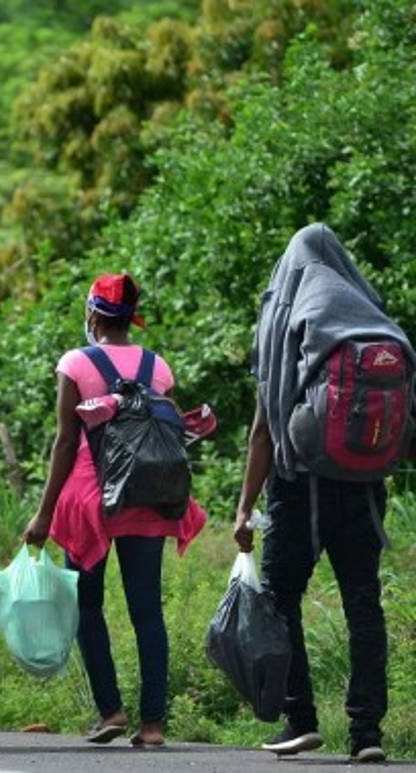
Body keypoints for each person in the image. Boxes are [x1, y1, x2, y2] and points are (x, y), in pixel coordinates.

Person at [234, 224, 413, 764]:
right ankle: (367, 733)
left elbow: (265, 428)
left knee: (280, 597)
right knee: (364, 600)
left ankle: (301, 719)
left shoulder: (288, 317)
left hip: (300, 482)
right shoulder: (371, 316)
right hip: (364, 486)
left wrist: (245, 506)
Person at [23, 273, 206, 748]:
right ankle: (153, 725)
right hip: (148, 497)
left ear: (92, 315)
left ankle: (110, 711)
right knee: (147, 610)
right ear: (131, 318)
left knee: (88, 605)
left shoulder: (76, 362)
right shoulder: (157, 366)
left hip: (92, 502)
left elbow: (66, 442)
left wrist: (43, 515)